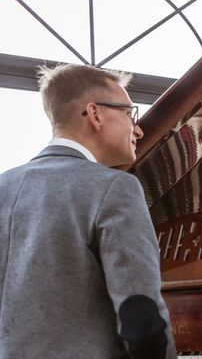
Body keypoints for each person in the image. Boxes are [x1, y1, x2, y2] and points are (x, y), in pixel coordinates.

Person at [0, 64, 176, 358]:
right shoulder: (115, 188)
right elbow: (141, 317)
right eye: (129, 114)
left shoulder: (3, 186)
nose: (138, 128)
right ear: (95, 114)